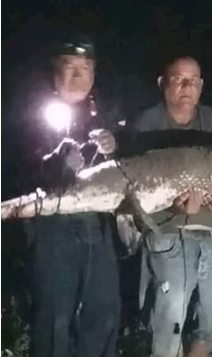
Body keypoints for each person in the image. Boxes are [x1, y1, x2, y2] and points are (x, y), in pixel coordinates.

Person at [21, 34, 121, 357]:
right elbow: (22, 167)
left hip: (98, 227)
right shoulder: (34, 112)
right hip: (53, 226)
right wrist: (56, 161)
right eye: (70, 66)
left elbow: (130, 165)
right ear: (55, 72)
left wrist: (114, 147)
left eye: (86, 67)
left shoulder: (104, 114)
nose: (78, 75)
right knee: (54, 318)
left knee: (104, 314)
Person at [131, 56, 212, 357]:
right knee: (172, 308)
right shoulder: (146, 124)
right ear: (162, 84)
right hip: (166, 231)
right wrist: (173, 205)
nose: (187, 86)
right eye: (178, 78)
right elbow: (137, 186)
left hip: (211, 231)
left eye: (193, 79)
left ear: (202, 86)